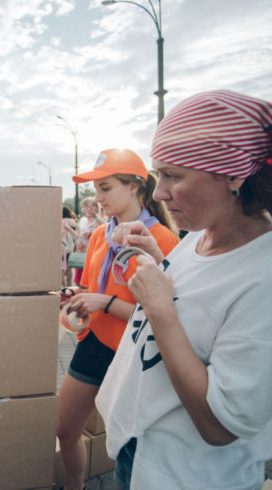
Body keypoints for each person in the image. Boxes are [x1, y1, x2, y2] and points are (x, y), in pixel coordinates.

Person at [96, 90, 272, 490]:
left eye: (173, 175)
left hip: (185, 476)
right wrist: (157, 259)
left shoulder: (264, 275)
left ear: (234, 175)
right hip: (141, 452)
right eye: (159, 175)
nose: (158, 193)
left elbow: (221, 424)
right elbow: (201, 301)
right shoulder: (202, 232)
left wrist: (158, 309)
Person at [56, 148, 179, 490]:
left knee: (129, 447)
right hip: (94, 344)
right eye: (96, 189)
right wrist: (77, 302)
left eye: (105, 188)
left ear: (135, 187)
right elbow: (89, 289)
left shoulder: (164, 242)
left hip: (137, 355)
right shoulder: (98, 235)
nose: (97, 198)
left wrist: (106, 302)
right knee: (65, 430)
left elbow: (163, 316)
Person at [73, 197, 105, 286]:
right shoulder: (82, 220)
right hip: (81, 252)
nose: (84, 210)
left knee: (90, 281)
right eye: (83, 207)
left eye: (87, 207)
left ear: (95, 207)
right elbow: (78, 236)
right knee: (78, 281)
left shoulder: (99, 219)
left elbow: (106, 226)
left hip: (93, 252)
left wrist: (95, 216)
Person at [62, 206, 78, 287]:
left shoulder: (60, 221)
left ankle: (63, 284)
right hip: (70, 245)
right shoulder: (71, 221)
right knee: (69, 267)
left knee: (62, 266)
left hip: (62, 245)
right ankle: (69, 284)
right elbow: (76, 228)